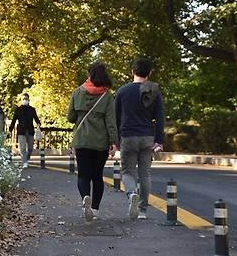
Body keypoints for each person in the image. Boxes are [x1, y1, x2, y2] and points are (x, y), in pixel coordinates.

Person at [67, 62, 118, 221]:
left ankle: (85, 198)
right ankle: (95, 209)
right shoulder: (107, 96)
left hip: (82, 140)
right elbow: (111, 122)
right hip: (100, 142)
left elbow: (70, 117)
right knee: (97, 176)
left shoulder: (77, 92)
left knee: (83, 174)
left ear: (89, 75)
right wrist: (114, 142)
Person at [115, 57, 165, 220]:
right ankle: (142, 210)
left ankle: (131, 195)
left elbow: (115, 118)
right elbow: (160, 117)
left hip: (128, 136)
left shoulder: (122, 91)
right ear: (149, 73)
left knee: (127, 171)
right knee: (145, 174)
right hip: (147, 137)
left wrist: (115, 142)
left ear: (132, 72)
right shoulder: (153, 90)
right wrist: (159, 140)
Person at [8, 93, 41, 169]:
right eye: (23, 99)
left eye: (26, 99)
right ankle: (24, 162)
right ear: (21, 100)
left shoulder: (32, 109)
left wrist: (38, 123)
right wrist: (10, 130)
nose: (25, 100)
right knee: (22, 148)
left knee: (30, 148)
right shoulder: (18, 110)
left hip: (30, 130)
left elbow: (36, 118)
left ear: (28, 100)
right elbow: (13, 121)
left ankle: (27, 158)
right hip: (21, 131)